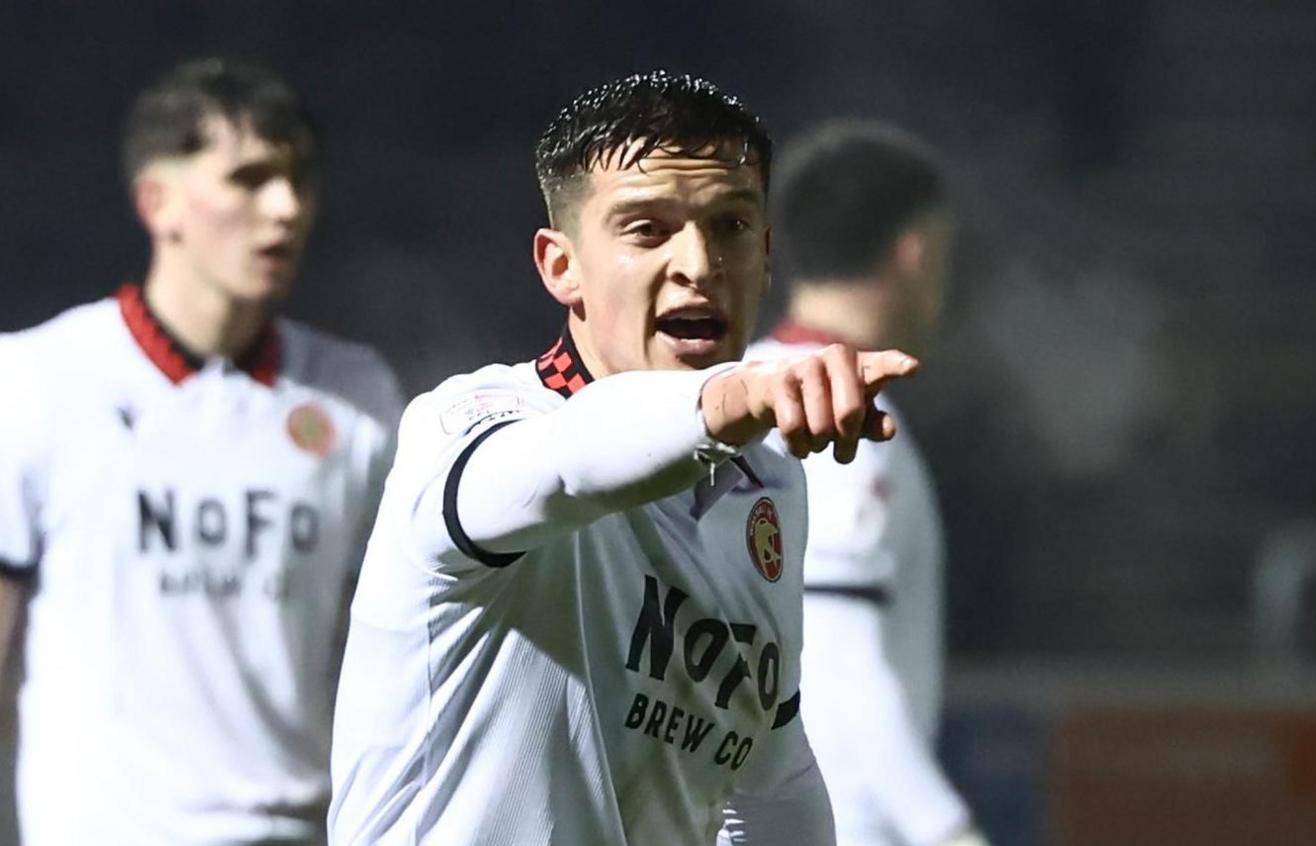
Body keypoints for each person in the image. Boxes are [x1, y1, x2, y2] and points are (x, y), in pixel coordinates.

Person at [328, 71, 918, 845]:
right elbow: (573, 462)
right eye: (647, 230)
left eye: (731, 226)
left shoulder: (767, 487)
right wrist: (737, 397)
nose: (698, 263)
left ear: (768, 255)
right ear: (560, 265)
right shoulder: (471, 427)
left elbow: (769, 777)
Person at [0, 58, 403, 844]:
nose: (285, 209)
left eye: (299, 181)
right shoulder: (35, 379)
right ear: (160, 202)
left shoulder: (356, 398)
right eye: (250, 179)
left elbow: (394, 655)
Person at [745, 120, 988, 846]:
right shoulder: (845, 419)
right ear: (918, 251)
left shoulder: (733, 395)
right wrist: (945, 831)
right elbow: (841, 660)